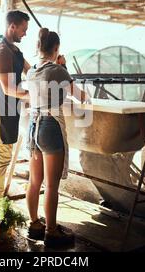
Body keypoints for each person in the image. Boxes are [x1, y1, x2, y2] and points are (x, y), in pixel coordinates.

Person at [25, 28, 90, 247]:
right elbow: (82, 97)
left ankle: (34, 224)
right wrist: (64, 66)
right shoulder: (58, 71)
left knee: (35, 181)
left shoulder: (31, 71)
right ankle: (51, 232)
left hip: (33, 126)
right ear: (56, 49)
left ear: (38, 47)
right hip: (50, 127)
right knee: (51, 185)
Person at [0, 10, 31, 196]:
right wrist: (32, 96)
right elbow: (8, 88)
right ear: (12, 26)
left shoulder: (14, 50)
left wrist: (49, 65)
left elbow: (30, 71)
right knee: (3, 155)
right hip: (1, 104)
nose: (25, 33)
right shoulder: (2, 51)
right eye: (23, 29)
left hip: (9, 104)